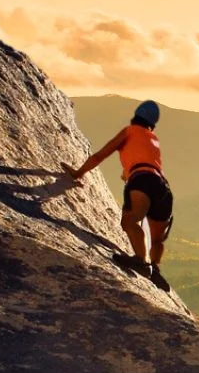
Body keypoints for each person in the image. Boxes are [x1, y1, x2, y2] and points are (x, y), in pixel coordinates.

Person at [64, 100, 174, 291]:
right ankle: (155, 268)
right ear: (152, 123)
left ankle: (141, 261)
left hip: (142, 180)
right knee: (157, 239)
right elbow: (146, 163)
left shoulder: (129, 131)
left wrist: (77, 173)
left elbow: (99, 156)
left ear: (136, 117)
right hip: (163, 187)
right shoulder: (153, 139)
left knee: (130, 221)